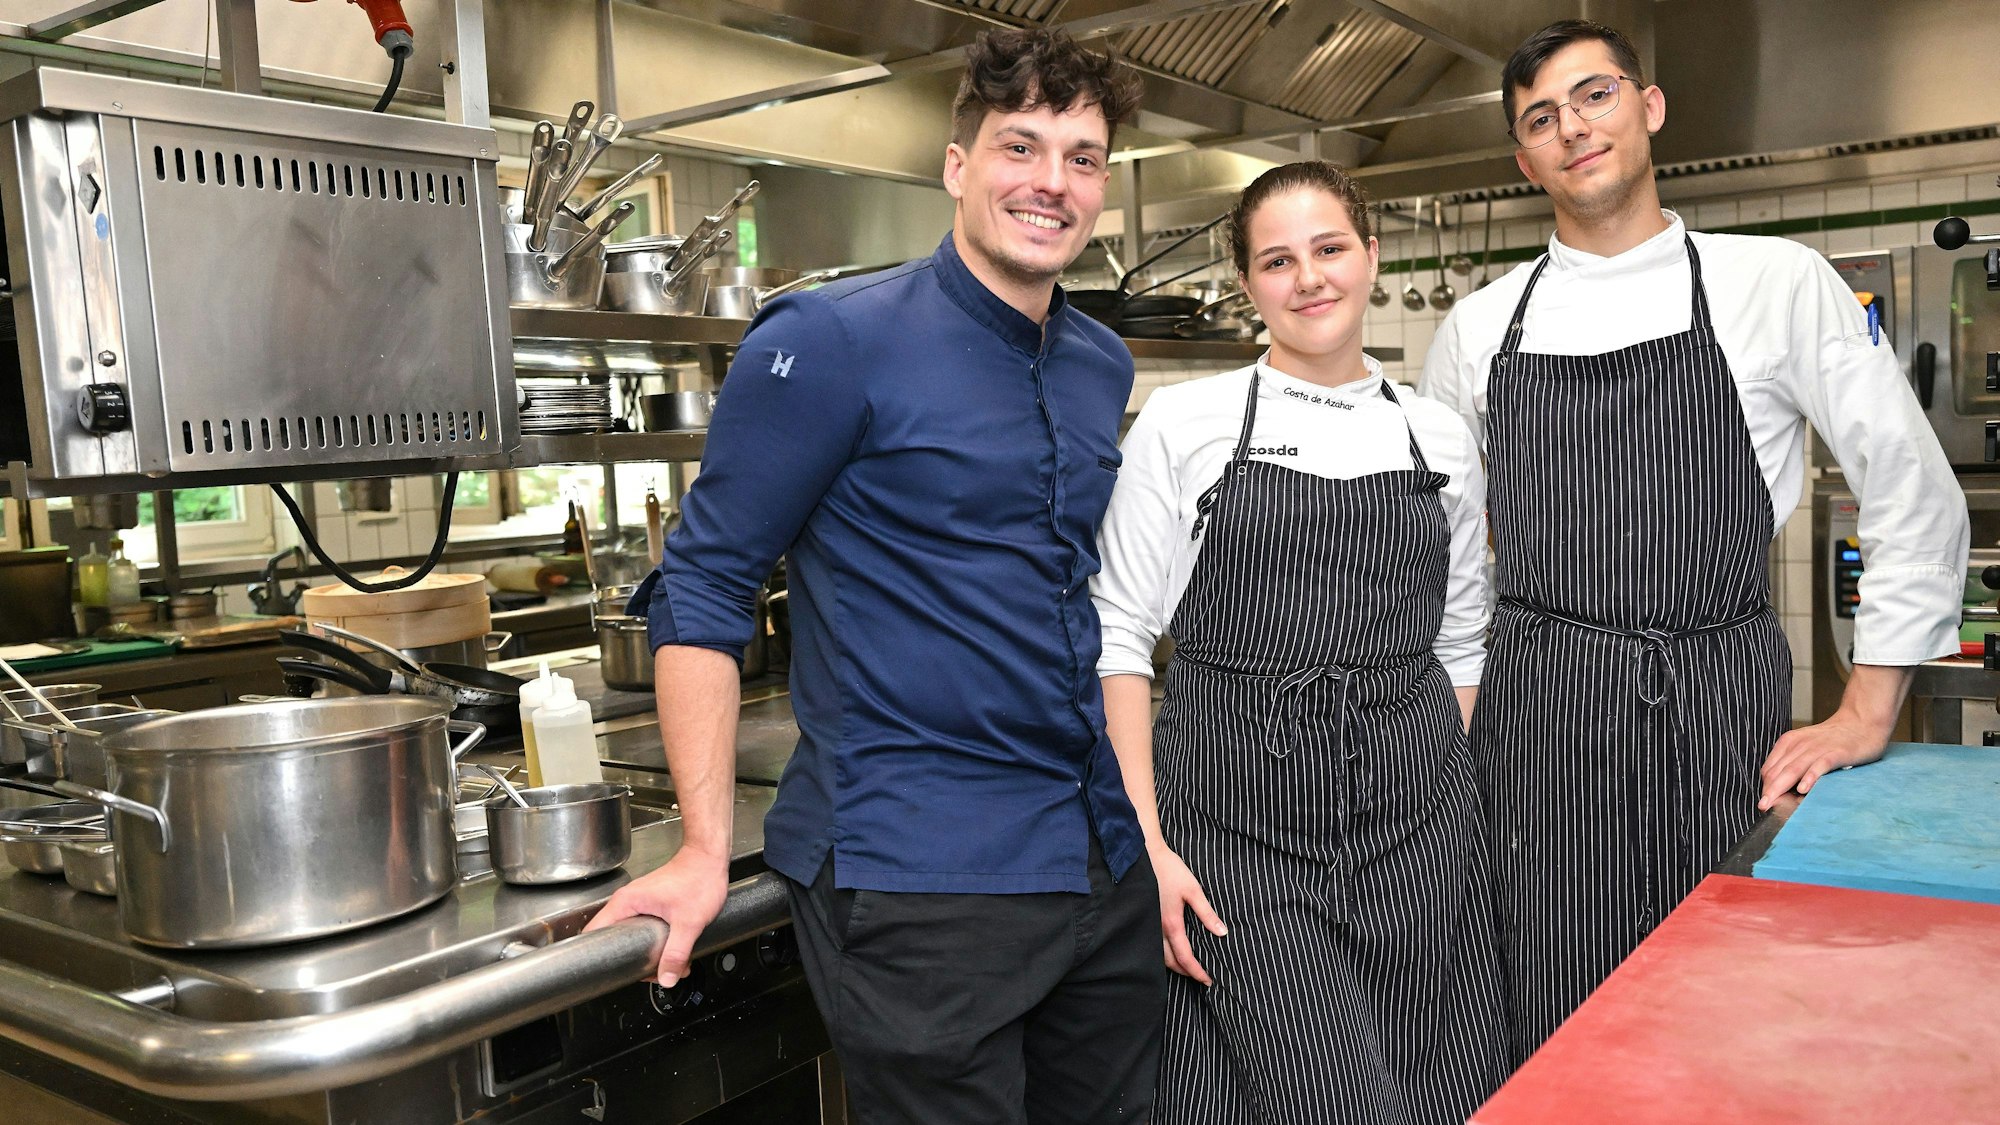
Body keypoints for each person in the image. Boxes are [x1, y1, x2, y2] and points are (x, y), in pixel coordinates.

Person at [586, 27, 1166, 1125]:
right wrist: (707, 848)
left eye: (1081, 158)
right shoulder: (830, 339)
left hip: (1093, 860)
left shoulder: (1098, 361)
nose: (1051, 181)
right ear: (957, 167)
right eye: (1019, 147)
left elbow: (1071, 594)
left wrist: (1137, 835)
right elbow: (703, 586)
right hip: (919, 879)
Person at [1420, 19, 1970, 1062]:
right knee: (1552, 1009)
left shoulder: (1773, 281)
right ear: (1522, 157)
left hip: (1715, 701)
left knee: (1726, 1005)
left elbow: (1909, 484)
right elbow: (1445, 552)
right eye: (1540, 118)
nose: (1572, 129)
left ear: (1648, 107)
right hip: (1536, 722)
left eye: (1593, 96)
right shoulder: (1481, 326)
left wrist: (1866, 704)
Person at [1094, 161, 1508, 1124]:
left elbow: (1461, 640)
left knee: (1442, 1084)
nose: (1309, 278)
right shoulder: (1185, 423)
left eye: (1328, 249)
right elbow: (1117, 634)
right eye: (1278, 260)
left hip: (1417, 829)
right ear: (1248, 285)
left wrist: (1423, 784)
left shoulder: (1438, 437)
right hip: (1240, 826)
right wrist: (1148, 842)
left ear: (1370, 255)